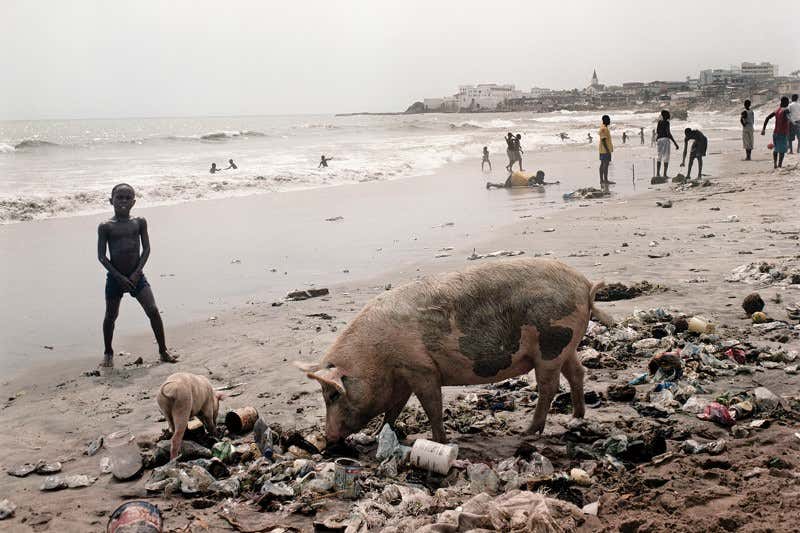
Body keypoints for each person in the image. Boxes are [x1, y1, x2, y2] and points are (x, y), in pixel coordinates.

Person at [97, 184, 176, 367]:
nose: (123, 201)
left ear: (134, 201)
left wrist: (136, 273)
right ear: (111, 201)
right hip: (115, 279)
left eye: (127, 197)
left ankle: (163, 351)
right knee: (111, 316)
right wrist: (119, 276)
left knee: (153, 310)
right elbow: (101, 256)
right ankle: (108, 352)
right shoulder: (106, 227)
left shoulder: (139, 222)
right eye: (119, 197)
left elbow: (146, 249)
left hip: (137, 277)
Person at [761, 96, 791, 169]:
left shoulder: (777, 110)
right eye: (787, 102)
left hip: (775, 133)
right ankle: (779, 165)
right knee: (782, 151)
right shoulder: (786, 110)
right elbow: (790, 119)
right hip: (783, 133)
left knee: (776, 149)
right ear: (785, 102)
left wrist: (763, 129)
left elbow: (767, 118)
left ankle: (775, 164)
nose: (788, 103)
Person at [655, 110, 680, 178]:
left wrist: (657, 138)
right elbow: (668, 133)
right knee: (666, 157)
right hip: (665, 140)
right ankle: (665, 174)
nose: (669, 115)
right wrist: (675, 143)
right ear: (666, 115)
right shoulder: (667, 123)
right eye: (668, 114)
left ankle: (657, 174)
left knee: (659, 156)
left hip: (659, 139)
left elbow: (657, 131)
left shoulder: (659, 122)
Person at [598, 115, 614, 186]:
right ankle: (605, 180)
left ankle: (602, 180)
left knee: (603, 164)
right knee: (605, 164)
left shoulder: (604, 128)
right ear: (605, 120)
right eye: (608, 120)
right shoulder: (604, 129)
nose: (609, 121)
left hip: (603, 149)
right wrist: (607, 150)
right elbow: (603, 140)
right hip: (605, 150)